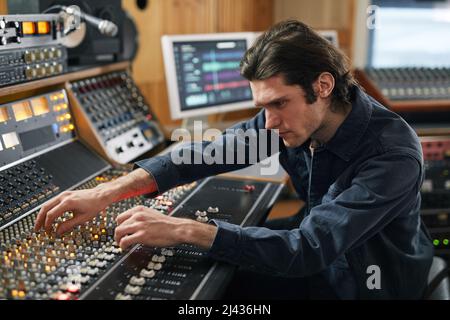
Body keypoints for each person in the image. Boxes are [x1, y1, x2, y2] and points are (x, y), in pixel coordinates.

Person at [34, 20, 433, 299]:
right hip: (319, 260)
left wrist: (185, 229)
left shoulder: (392, 154)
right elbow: (203, 154)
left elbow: (308, 249)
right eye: (262, 106)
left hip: (363, 286)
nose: (269, 122)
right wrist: (106, 193)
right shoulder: (291, 120)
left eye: (279, 103)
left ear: (323, 85)